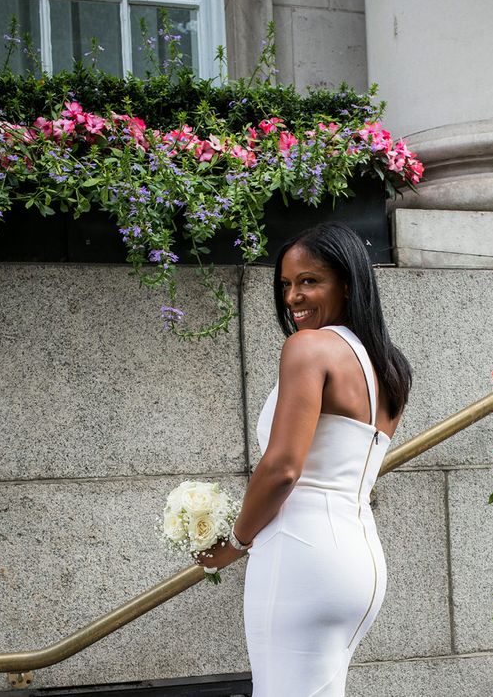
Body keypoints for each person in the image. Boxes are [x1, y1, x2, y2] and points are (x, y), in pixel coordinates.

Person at [196, 221, 412, 696]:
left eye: (310, 281)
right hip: (359, 564)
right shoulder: (387, 366)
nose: (293, 297)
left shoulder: (309, 348)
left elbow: (282, 468)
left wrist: (234, 542)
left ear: (348, 284)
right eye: (287, 285)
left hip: (301, 556)